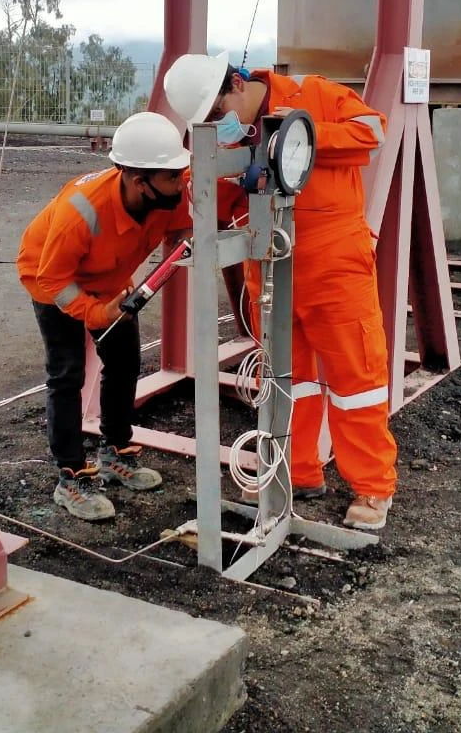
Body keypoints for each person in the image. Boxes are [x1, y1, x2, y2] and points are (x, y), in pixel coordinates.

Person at [163, 51, 396, 530]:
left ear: (235, 86)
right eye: (205, 123)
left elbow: (372, 130)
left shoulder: (312, 94)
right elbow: (212, 198)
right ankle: (298, 471)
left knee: (356, 379)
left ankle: (372, 488)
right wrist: (207, 183)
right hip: (269, 264)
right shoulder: (231, 137)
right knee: (289, 381)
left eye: (215, 114)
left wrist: (303, 134)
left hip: (335, 265)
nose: (216, 126)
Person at [17, 111, 191, 521]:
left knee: (125, 360)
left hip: (109, 278)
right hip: (54, 280)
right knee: (67, 373)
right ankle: (70, 477)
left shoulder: (168, 192)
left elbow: (180, 231)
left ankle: (115, 452)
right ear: (137, 180)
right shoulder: (79, 213)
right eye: (172, 176)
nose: (181, 182)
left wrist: (188, 242)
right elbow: (53, 279)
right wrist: (96, 312)